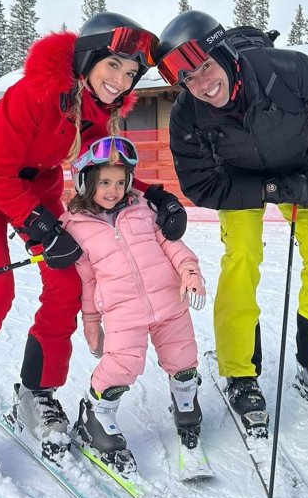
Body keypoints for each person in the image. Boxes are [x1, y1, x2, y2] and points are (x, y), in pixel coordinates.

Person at [0, 13, 188, 481]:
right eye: (115, 66)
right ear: (90, 57)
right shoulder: (34, 93)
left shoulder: (96, 111)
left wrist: (154, 193)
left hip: (32, 193)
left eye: (130, 74)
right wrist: (39, 225)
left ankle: (36, 394)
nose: (120, 80)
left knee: (66, 283)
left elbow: (108, 167)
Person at [155, 10, 308, 435]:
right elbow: (200, 185)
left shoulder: (286, 70)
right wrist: (267, 193)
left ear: (225, 54)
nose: (203, 84)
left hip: (303, 174)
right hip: (240, 185)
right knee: (242, 257)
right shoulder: (189, 113)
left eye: (206, 68)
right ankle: (240, 372)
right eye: (190, 80)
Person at [60, 135, 206, 475]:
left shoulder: (142, 210)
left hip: (170, 301)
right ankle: (97, 414)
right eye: (104, 182)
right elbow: (88, 281)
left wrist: (189, 271)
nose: (114, 190)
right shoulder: (77, 229)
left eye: (121, 181)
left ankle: (185, 399)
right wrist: (92, 323)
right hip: (123, 312)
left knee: (183, 357)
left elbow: (172, 246)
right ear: (85, 183)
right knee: (121, 366)